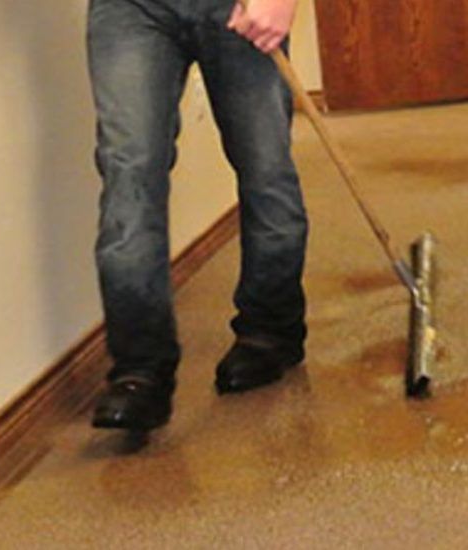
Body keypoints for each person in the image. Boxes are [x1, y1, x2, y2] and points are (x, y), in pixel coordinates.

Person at [87, 0, 307, 431]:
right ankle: (140, 370)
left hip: (237, 5)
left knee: (265, 169)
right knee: (128, 170)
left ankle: (269, 329)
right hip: (130, 10)